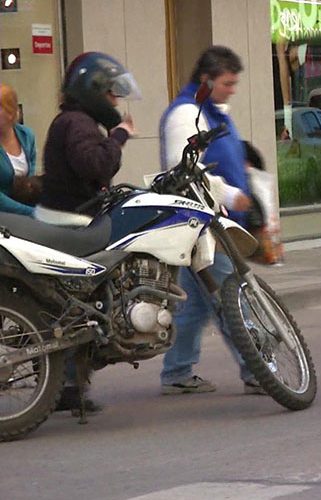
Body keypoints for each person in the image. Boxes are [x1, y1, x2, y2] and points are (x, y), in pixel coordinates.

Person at [38, 51, 140, 413]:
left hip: (68, 217)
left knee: (80, 300)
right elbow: (95, 165)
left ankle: (72, 381)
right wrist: (120, 136)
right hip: (71, 222)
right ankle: (71, 381)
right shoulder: (78, 123)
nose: (115, 101)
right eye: (111, 93)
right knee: (85, 304)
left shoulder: (73, 121)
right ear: (94, 90)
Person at [158, 45, 261, 396]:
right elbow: (184, 170)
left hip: (208, 223)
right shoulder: (186, 115)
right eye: (227, 83)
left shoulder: (208, 111)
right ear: (206, 79)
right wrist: (230, 195)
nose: (233, 90)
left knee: (195, 305)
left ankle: (177, 371)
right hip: (203, 224)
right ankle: (259, 369)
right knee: (232, 299)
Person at [0, 84, 38, 215]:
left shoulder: (27, 135)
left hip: (25, 209)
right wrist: (32, 213)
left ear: (10, 112)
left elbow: (30, 181)